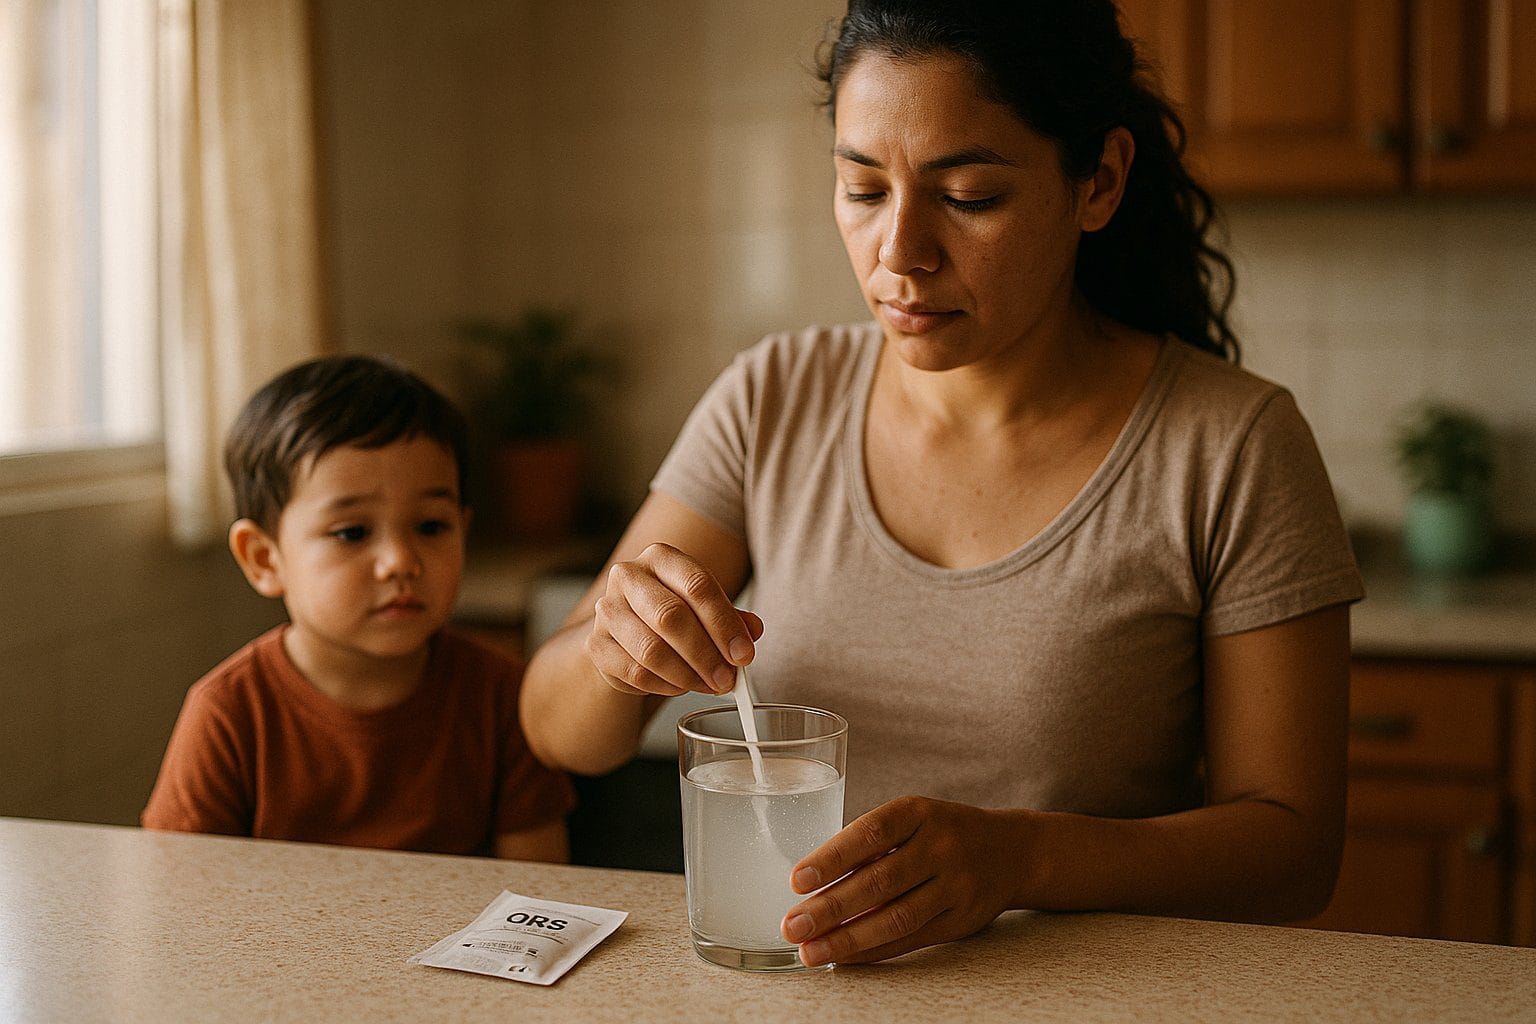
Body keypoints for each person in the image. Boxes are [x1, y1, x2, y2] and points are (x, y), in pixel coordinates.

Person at [520, 0, 1364, 965]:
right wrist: (612, 652)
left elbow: (1296, 853)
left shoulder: (1233, 444)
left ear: (1099, 182)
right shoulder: (773, 398)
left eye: (968, 197)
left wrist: (1025, 857)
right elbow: (558, 734)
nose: (899, 254)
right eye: (864, 189)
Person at [143, 355, 574, 861]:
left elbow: (541, 897)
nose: (400, 562)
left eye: (431, 526)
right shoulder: (230, 714)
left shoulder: (506, 698)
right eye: (352, 533)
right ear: (265, 559)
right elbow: (176, 906)